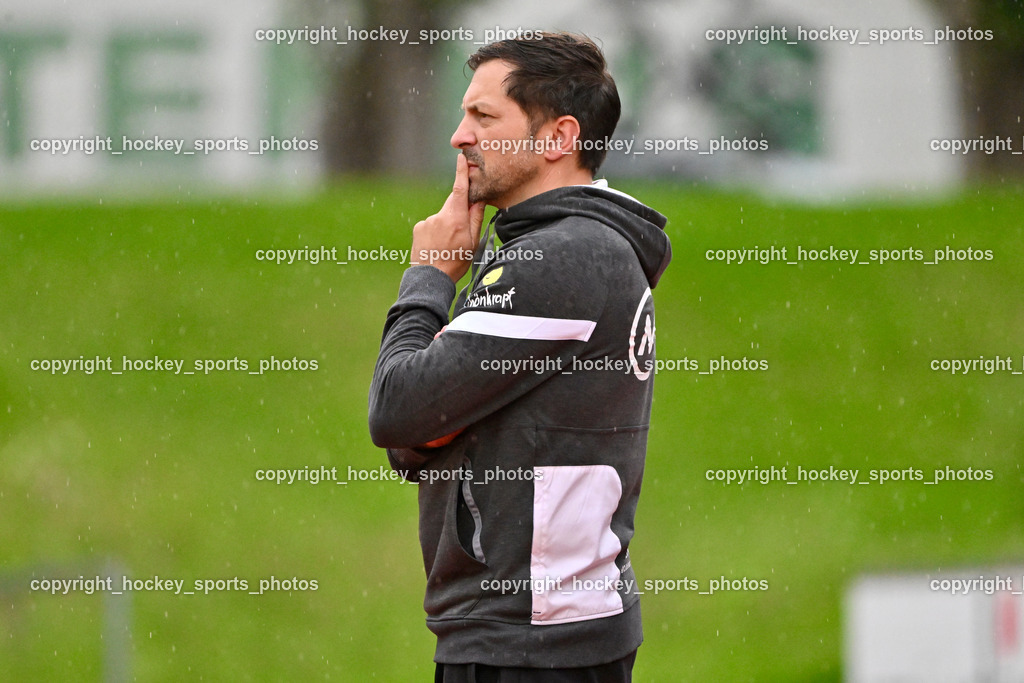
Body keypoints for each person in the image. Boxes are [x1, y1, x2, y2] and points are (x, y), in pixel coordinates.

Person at [368, 31, 671, 681]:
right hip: (532, 632)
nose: (459, 136)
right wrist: (428, 421)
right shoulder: (560, 250)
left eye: (483, 116)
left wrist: (428, 275)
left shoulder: (567, 254)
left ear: (558, 138)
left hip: (532, 642)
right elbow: (417, 432)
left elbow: (397, 410)